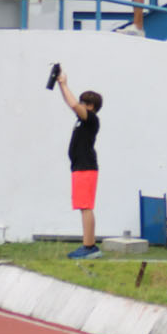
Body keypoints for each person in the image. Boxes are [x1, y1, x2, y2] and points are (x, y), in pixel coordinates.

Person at [53, 68, 103, 260]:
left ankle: (89, 246)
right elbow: (71, 103)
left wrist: (63, 84)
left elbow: (73, 103)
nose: (80, 104)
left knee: (86, 206)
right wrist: (60, 85)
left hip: (86, 167)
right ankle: (89, 245)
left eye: (84, 102)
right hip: (79, 167)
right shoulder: (82, 120)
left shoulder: (91, 119)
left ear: (90, 106)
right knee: (84, 206)